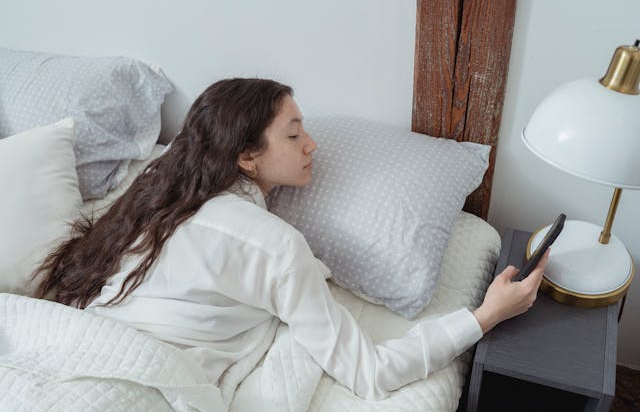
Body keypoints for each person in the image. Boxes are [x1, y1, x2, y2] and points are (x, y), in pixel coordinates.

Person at [32, 78, 549, 401]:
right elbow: (369, 372)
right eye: (294, 133)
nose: (313, 144)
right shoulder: (273, 245)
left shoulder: (152, 193)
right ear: (246, 157)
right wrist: (486, 315)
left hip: (66, 348)